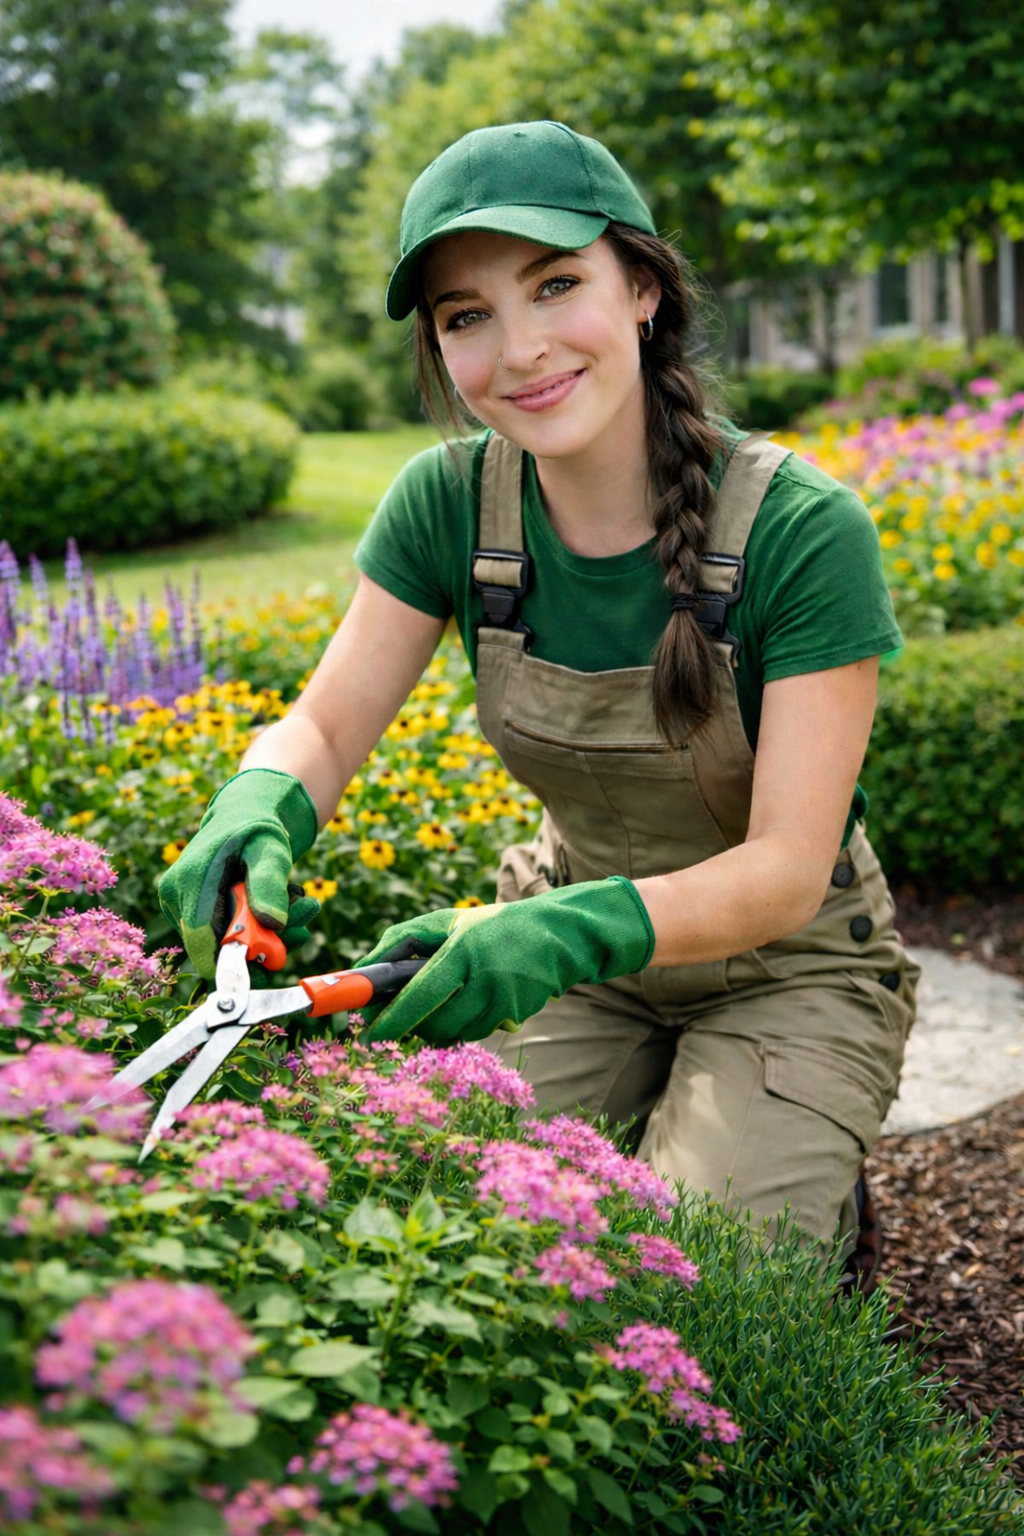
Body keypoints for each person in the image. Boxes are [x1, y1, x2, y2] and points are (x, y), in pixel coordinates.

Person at [159, 120, 919, 1287]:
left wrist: (563, 931)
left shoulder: (800, 529)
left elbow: (781, 868)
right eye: (466, 316)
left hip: (790, 963)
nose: (517, 351)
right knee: (434, 1222)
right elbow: (320, 724)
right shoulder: (449, 505)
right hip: (572, 954)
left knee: (694, 1280)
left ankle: (797, 1142)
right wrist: (258, 801)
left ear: (644, 289)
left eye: (555, 284)